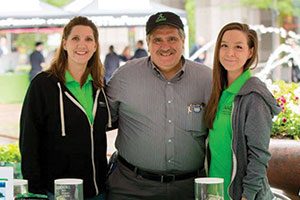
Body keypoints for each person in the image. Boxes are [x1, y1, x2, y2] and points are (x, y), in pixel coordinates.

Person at [106, 11, 212, 200]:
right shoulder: (124, 77)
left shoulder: (207, 79)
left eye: (172, 38)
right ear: (148, 43)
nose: (165, 46)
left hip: (189, 189)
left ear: (183, 40)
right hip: (131, 188)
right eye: (157, 40)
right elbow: (101, 122)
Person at [19, 16, 111, 200]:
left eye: (88, 39)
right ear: (65, 43)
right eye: (75, 38)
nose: (82, 45)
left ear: (95, 46)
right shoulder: (43, 85)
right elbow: (29, 139)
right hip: (57, 192)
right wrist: (35, 190)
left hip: (97, 191)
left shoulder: (100, 87)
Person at [203, 22, 281, 200]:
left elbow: (259, 155)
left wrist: (248, 196)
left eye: (238, 47)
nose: (230, 53)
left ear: (250, 52)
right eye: (224, 46)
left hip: (242, 196)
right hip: (215, 193)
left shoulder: (253, 96)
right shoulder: (219, 92)